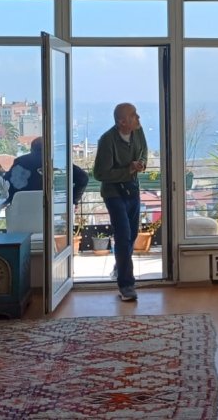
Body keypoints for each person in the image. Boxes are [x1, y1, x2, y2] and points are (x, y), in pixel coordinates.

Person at [93, 103, 147, 301]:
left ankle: (120, 265)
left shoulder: (138, 132)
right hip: (114, 194)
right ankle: (126, 285)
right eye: (134, 115)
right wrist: (128, 169)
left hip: (132, 190)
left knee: (132, 234)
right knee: (123, 236)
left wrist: (141, 164)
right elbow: (100, 174)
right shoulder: (107, 140)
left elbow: (143, 152)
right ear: (122, 121)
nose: (138, 117)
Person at [4, 136, 89, 207]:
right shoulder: (58, 162)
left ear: (32, 149)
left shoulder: (20, 161)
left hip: (22, 210)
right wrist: (73, 201)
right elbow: (83, 178)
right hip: (51, 210)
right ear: (50, 148)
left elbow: (6, 184)